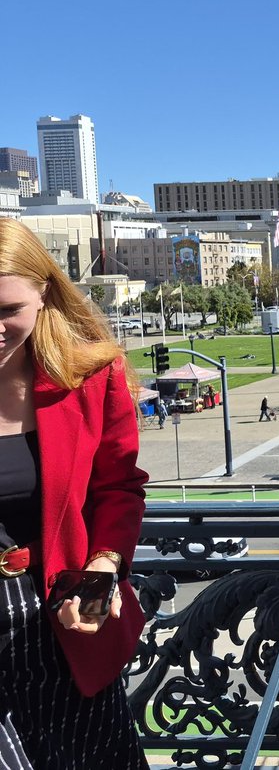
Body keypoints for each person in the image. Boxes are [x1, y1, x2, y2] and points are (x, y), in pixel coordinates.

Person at [0, 219, 149, 768]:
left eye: (6, 310)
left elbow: (119, 485)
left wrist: (105, 566)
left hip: (63, 623)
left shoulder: (91, 375)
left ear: (44, 293)